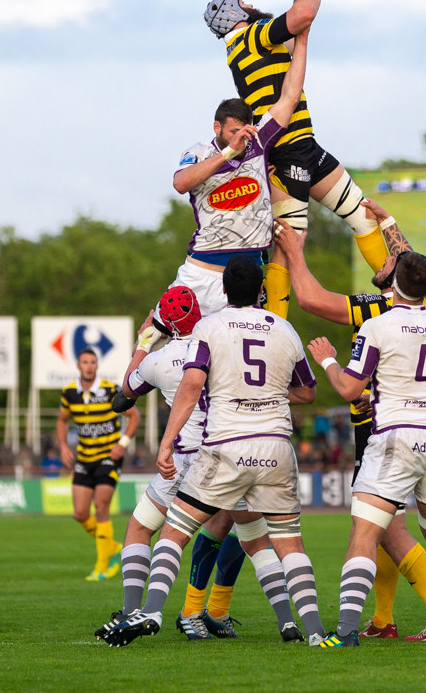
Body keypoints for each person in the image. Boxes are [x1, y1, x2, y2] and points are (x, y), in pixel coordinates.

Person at [103, 255, 327, 647]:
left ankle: (151, 611)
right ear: (262, 289)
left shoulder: (210, 328)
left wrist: (167, 441)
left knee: (174, 531)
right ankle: (312, 632)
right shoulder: (285, 329)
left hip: (222, 447)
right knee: (282, 540)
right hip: (275, 446)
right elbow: (307, 392)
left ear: (223, 290)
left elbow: (189, 387)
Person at [273, 201, 426, 641]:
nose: (382, 259)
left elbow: (311, 300)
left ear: (394, 280)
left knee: (383, 529)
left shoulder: (378, 309)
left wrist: (294, 252)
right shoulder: (420, 305)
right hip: (419, 428)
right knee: (381, 530)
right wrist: (389, 223)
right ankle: (383, 620)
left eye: (387, 259)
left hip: (382, 430)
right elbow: (410, 262)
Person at [307, 251, 426, 648]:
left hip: (396, 436)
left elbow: (350, 389)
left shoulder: (378, 325)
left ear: (394, 284)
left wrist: (328, 360)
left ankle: (346, 632)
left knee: (364, 534)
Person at [203, 0, 389, 316]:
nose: (249, 3)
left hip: (305, 146)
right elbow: (302, 19)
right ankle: (272, 330)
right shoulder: (252, 36)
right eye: (241, 1)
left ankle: (398, 299)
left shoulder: (249, 43)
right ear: (232, 12)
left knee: (363, 216)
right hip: (285, 153)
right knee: (289, 247)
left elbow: (294, 35)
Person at [99, 287, 268, 642]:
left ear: (165, 320)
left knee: (146, 528)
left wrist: (145, 342)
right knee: (239, 530)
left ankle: (135, 611)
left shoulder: (158, 358)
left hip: (182, 457)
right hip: (229, 453)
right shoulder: (218, 343)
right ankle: (216, 613)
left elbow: (122, 397)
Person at [163, 21, 313, 323]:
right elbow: (181, 184)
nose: (241, 138)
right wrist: (228, 153)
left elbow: (289, 98)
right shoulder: (200, 152)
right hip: (202, 269)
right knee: (152, 335)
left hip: (246, 277)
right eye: (233, 132)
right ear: (217, 127)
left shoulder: (256, 141)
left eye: (244, 131)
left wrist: (303, 40)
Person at [54, 346, 140, 581]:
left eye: (93, 362)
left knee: (101, 508)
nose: (89, 366)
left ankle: (102, 567)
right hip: (84, 459)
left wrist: (122, 443)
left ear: (97, 365)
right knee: (80, 513)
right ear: (78, 366)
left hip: (108, 458)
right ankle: (112, 546)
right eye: (85, 362)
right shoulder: (69, 392)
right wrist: (63, 446)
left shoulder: (111, 390)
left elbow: (134, 416)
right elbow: (62, 421)